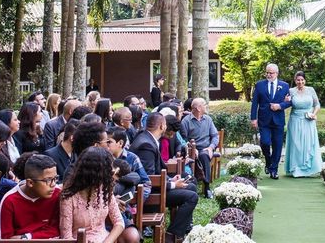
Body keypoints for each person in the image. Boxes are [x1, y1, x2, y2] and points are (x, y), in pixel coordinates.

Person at [130, 112, 198, 242]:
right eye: (165, 124)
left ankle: (180, 231)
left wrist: (169, 180)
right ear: (162, 126)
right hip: (147, 197)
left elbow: (155, 173)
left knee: (191, 187)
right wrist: (172, 185)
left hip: (155, 189)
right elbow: (148, 179)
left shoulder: (148, 138)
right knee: (192, 196)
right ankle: (172, 235)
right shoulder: (146, 145)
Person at [60, 147, 139, 243]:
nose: (111, 176)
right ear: (95, 174)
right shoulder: (69, 197)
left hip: (104, 238)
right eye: (108, 172)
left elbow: (119, 222)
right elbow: (66, 236)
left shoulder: (105, 190)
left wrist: (107, 241)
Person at [0, 154, 61, 239]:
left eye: (55, 178)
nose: (53, 184)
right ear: (30, 183)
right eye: (48, 180)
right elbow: (4, 238)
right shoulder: (9, 200)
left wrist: (26, 237)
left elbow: (57, 230)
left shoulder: (57, 193)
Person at [250, 63, 292, 179]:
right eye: (267, 72)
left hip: (278, 120)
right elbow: (255, 103)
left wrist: (279, 106)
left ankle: (274, 169)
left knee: (277, 145)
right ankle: (268, 161)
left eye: (271, 73)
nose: (268, 75)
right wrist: (253, 118)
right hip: (264, 120)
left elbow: (289, 102)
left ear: (276, 73)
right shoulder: (259, 85)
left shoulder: (284, 86)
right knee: (265, 142)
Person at [284, 71, 322, 178]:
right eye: (298, 80)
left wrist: (314, 114)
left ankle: (307, 168)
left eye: (302, 80)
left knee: (308, 143)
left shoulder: (311, 90)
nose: (300, 82)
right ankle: (296, 168)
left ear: (304, 80)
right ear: (295, 80)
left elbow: (317, 104)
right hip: (295, 120)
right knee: (296, 144)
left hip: (308, 120)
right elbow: (285, 103)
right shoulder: (291, 91)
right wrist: (285, 100)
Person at [180, 98, 219, 196]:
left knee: (204, 155)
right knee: (202, 156)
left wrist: (211, 147)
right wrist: (192, 149)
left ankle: (206, 186)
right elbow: (184, 139)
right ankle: (205, 186)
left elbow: (215, 135)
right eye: (204, 104)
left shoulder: (208, 119)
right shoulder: (185, 121)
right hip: (193, 149)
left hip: (206, 148)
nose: (206, 106)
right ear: (198, 108)